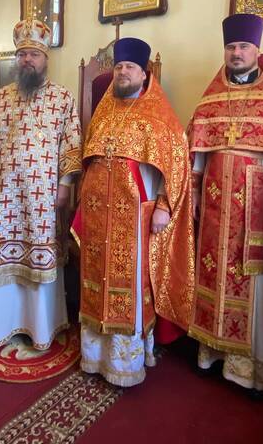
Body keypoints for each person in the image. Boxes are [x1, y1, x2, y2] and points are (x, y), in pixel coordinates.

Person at [188, 13, 263, 392]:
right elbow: (198, 151)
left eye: (243, 47)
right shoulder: (212, 97)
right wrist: (194, 192)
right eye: (231, 47)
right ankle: (212, 355)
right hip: (215, 205)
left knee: (254, 280)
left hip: (257, 206)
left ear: (256, 50)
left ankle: (254, 372)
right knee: (212, 271)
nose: (236, 53)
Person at [74, 37, 195, 387]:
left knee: (131, 284)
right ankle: (95, 356)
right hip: (98, 214)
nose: (122, 72)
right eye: (118, 66)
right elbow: (90, 160)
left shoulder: (159, 114)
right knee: (96, 282)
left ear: (144, 74)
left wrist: (163, 206)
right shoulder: (103, 111)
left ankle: (125, 362)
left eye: (129, 67)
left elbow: (176, 166)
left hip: (135, 215)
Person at [0, 19, 82, 350]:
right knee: (3, 255)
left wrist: (65, 184)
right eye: (22, 54)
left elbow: (71, 145)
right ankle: (1, 325)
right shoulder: (0, 99)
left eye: (34, 54)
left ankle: (41, 328)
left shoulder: (62, 98)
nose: (27, 59)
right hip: (3, 195)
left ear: (46, 59)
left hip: (42, 197)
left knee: (40, 255)